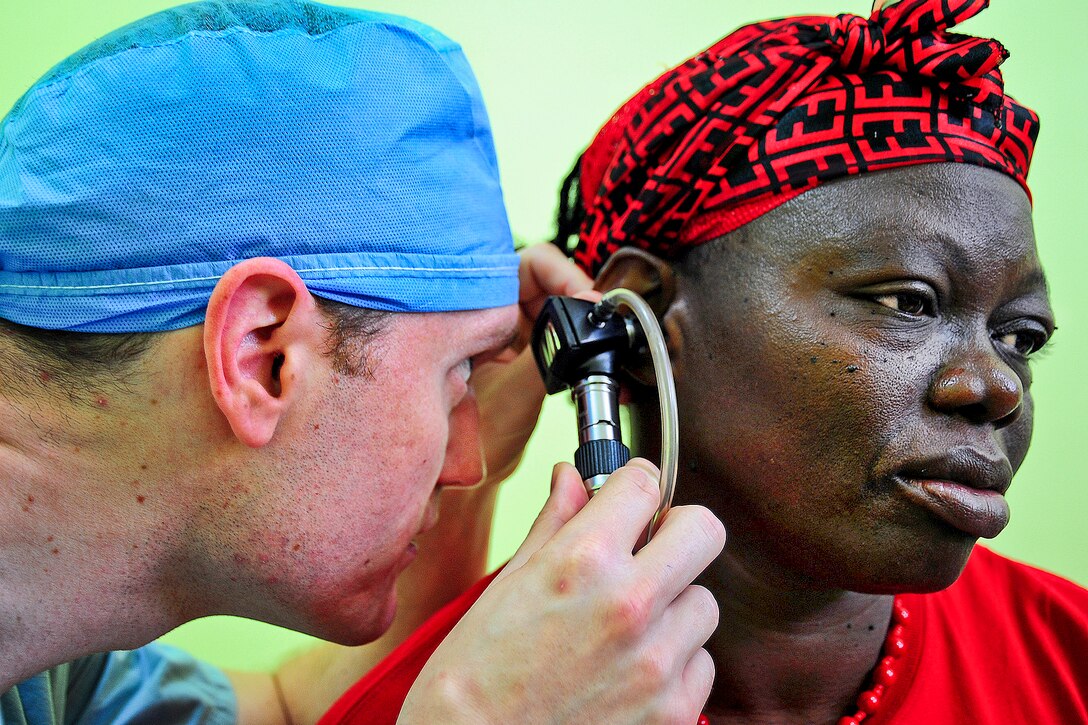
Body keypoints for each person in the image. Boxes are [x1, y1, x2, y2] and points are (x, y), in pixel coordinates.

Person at [317, 1, 1088, 723]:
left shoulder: (1071, 658)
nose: (995, 387)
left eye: (1020, 337)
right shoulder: (447, 705)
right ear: (642, 313)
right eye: (907, 302)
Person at [0, 2, 728, 723]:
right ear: (263, 353)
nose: (468, 463)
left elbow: (289, 711)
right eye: (459, 378)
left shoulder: (57, 674)